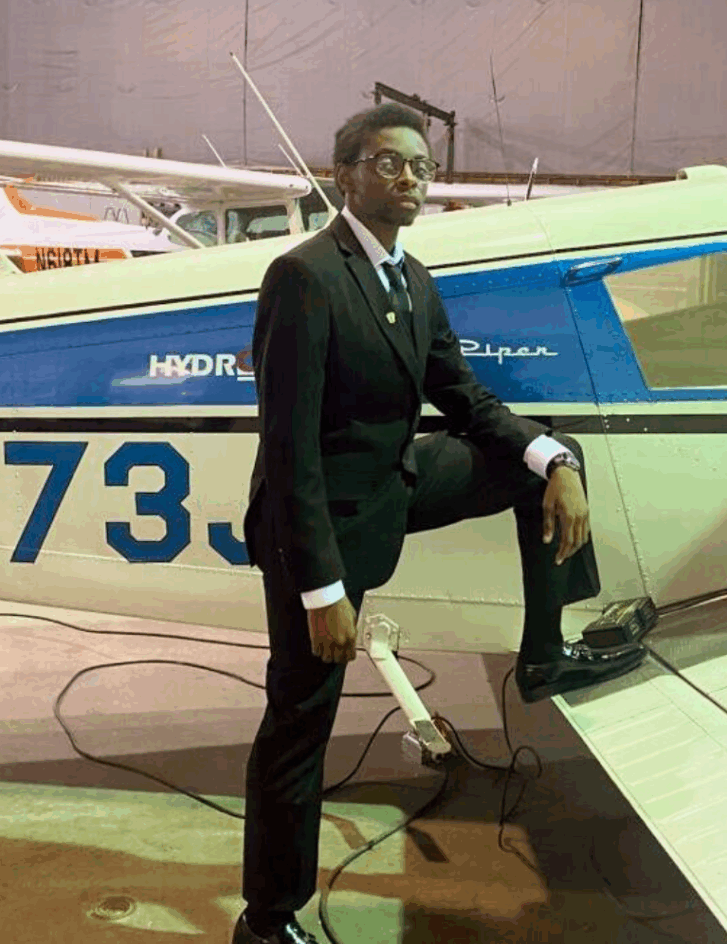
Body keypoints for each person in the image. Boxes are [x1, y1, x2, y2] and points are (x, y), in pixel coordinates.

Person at [234, 103, 646, 944]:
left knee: (547, 456)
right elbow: (289, 452)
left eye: (420, 166)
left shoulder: (411, 279)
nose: (411, 179)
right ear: (345, 174)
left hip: (390, 482)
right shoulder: (306, 276)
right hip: (314, 522)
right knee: (299, 722)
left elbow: (461, 395)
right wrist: (324, 592)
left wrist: (552, 464)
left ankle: (543, 654)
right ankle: (267, 921)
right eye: (390, 163)